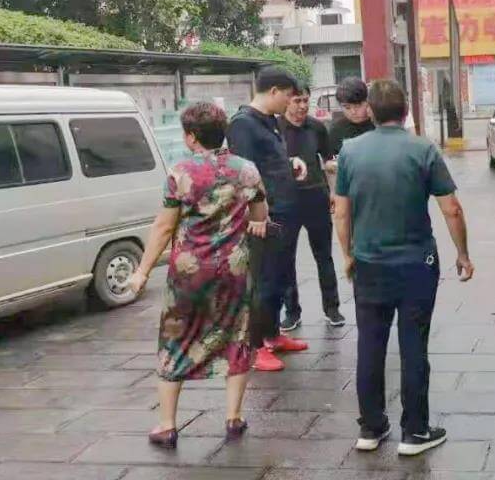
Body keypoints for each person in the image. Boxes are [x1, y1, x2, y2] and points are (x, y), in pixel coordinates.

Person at [334, 79, 474, 457]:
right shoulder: (422, 149)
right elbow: (451, 209)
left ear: (371, 112)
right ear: (406, 110)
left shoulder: (350, 151)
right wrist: (463, 254)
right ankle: (414, 431)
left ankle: (371, 428)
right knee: (413, 345)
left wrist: (348, 254)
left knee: (370, 344)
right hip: (416, 264)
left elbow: (341, 212)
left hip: (369, 263)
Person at [128, 102, 267, 449]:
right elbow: (260, 212)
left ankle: (167, 425)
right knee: (236, 335)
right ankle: (233, 418)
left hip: (188, 274)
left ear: (191, 137)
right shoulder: (246, 170)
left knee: (176, 338)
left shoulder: (180, 173)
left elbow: (164, 228)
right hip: (233, 270)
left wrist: (142, 271)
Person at [227, 67, 310, 372]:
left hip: (285, 210)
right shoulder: (242, 125)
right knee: (262, 281)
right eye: (288, 96)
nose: (290, 103)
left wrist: (290, 162)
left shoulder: (269, 121)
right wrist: (255, 216)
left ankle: (273, 335)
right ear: (273, 91)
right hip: (264, 216)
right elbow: (244, 173)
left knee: (280, 276)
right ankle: (256, 346)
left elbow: (268, 160)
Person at [278, 83, 345, 330]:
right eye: (297, 101)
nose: (302, 106)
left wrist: (333, 191)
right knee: (286, 258)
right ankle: (292, 311)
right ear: (286, 101)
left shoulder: (317, 127)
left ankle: (332, 308)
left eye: (305, 100)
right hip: (286, 202)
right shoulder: (275, 129)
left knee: (324, 256)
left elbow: (328, 160)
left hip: (316, 197)